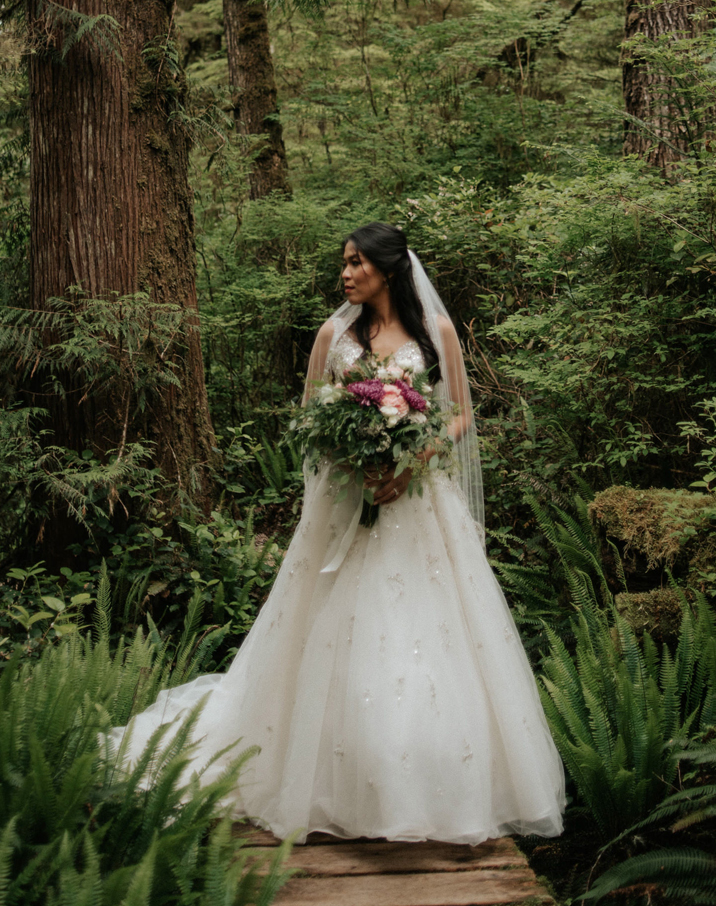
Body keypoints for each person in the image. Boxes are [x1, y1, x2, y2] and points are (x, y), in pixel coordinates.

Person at [108, 222, 567, 844]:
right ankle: (325, 773)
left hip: (418, 507)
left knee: (427, 636)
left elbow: (457, 412)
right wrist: (353, 459)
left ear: (388, 269)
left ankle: (425, 780)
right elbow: (310, 423)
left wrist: (415, 461)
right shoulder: (333, 336)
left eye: (356, 264)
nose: (345, 274)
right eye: (343, 264)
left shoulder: (438, 334)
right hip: (345, 505)